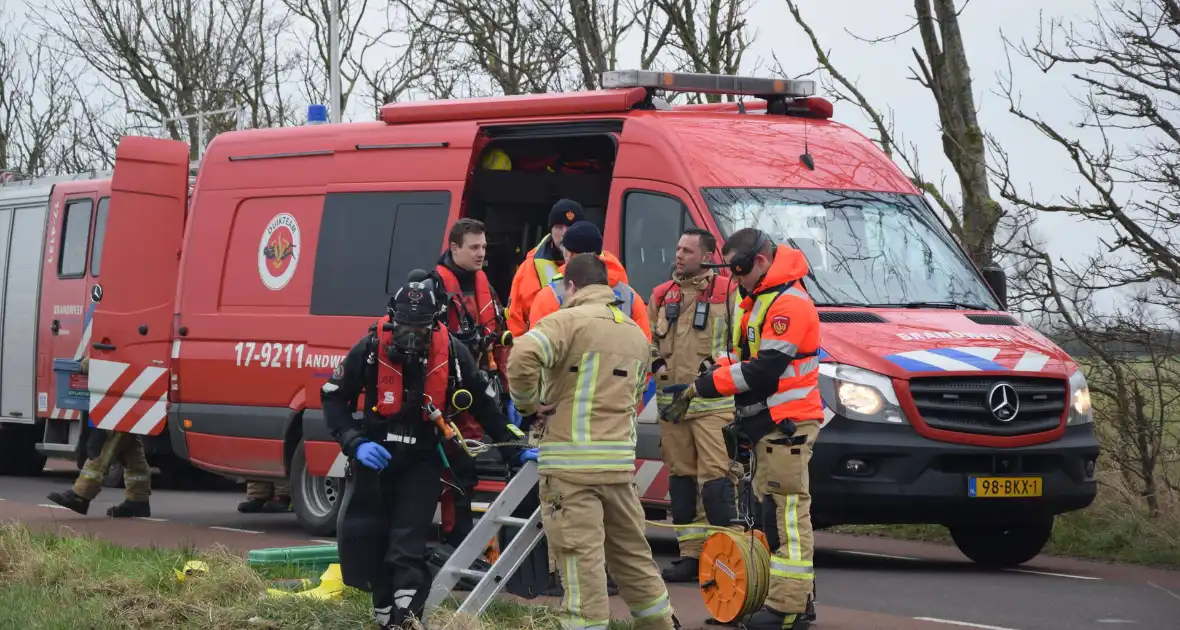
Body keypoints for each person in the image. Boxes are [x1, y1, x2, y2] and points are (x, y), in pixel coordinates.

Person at [322, 271, 530, 630]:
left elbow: (485, 408)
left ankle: (406, 618)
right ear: (392, 318)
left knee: (408, 543)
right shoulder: (371, 347)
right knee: (372, 540)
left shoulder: (452, 352)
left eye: (419, 329)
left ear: (434, 323)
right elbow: (333, 397)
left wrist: (517, 448)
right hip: (377, 455)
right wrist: (355, 442)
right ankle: (383, 614)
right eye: (404, 327)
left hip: (422, 458)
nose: (411, 337)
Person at [508, 253, 679, 630]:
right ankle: (661, 624)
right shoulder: (635, 332)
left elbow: (521, 355)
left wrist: (529, 405)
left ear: (570, 285)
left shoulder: (566, 322)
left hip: (570, 468)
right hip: (618, 466)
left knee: (579, 559)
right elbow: (636, 392)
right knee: (633, 556)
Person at [664, 228, 822, 630]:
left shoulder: (790, 303)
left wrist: (704, 386)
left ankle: (789, 608)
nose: (735, 280)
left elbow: (764, 369)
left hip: (789, 422)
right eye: (731, 272)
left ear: (762, 262)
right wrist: (712, 368)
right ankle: (786, 600)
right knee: (769, 513)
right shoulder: (752, 299)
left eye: (740, 271)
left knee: (788, 513)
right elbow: (738, 354)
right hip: (765, 421)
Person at [647, 227, 738, 582]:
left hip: (714, 401)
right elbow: (647, 339)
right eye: (678, 248)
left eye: (687, 250)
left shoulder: (728, 292)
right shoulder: (661, 294)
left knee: (715, 480)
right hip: (673, 403)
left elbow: (740, 341)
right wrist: (657, 364)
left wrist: (717, 369)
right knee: (681, 481)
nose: (679, 255)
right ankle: (690, 555)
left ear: (707, 255)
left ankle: (725, 553)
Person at [430, 217, 512, 548]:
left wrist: (505, 389)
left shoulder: (484, 286)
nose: (481, 254)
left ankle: (459, 544)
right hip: (445, 397)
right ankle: (450, 542)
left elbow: (499, 340)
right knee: (448, 471)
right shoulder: (434, 287)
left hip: (477, 391)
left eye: (484, 247)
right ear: (454, 248)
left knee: (465, 472)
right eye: (474, 247)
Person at [47, 356, 153, 518]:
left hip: (122, 396)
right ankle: (137, 500)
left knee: (105, 445)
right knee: (131, 450)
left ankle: (80, 495)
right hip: (134, 392)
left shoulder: (120, 332)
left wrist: (83, 364)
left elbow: (103, 355)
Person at [527, 220, 652, 341]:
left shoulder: (550, 296)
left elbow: (536, 350)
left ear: (569, 254)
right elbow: (645, 348)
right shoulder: (630, 297)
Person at [505, 198, 585, 338]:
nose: (565, 233)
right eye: (559, 227)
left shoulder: (602, 265)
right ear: (550, 230)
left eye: (571, 227)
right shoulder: (529, 268)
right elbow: (515, 319)